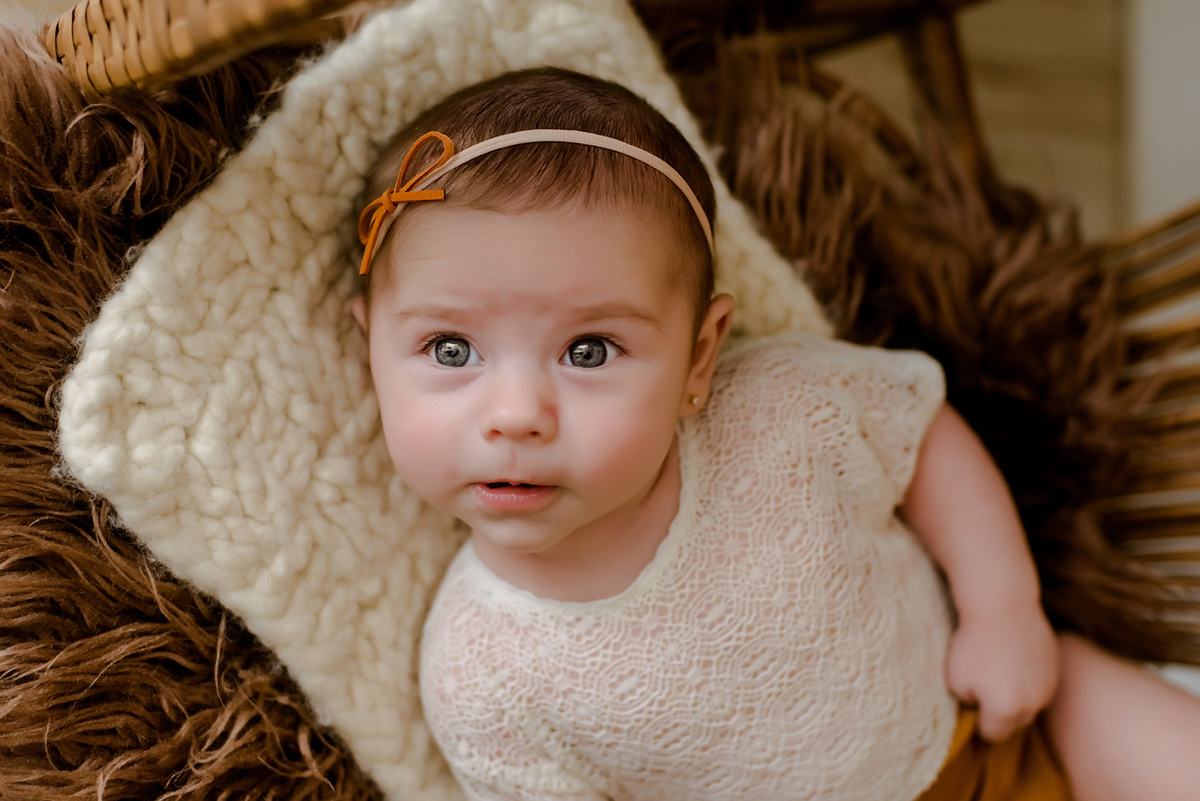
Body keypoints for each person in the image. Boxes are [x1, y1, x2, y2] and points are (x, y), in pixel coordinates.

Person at [349, 67, 1200, 801]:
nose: (517, 412)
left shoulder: (784, 407)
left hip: (1016, 718)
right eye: (449, 349)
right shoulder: (482, 676)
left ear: (699, 355)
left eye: (590, 349)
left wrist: (1003, 609)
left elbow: (924, 436)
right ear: (372, 352)